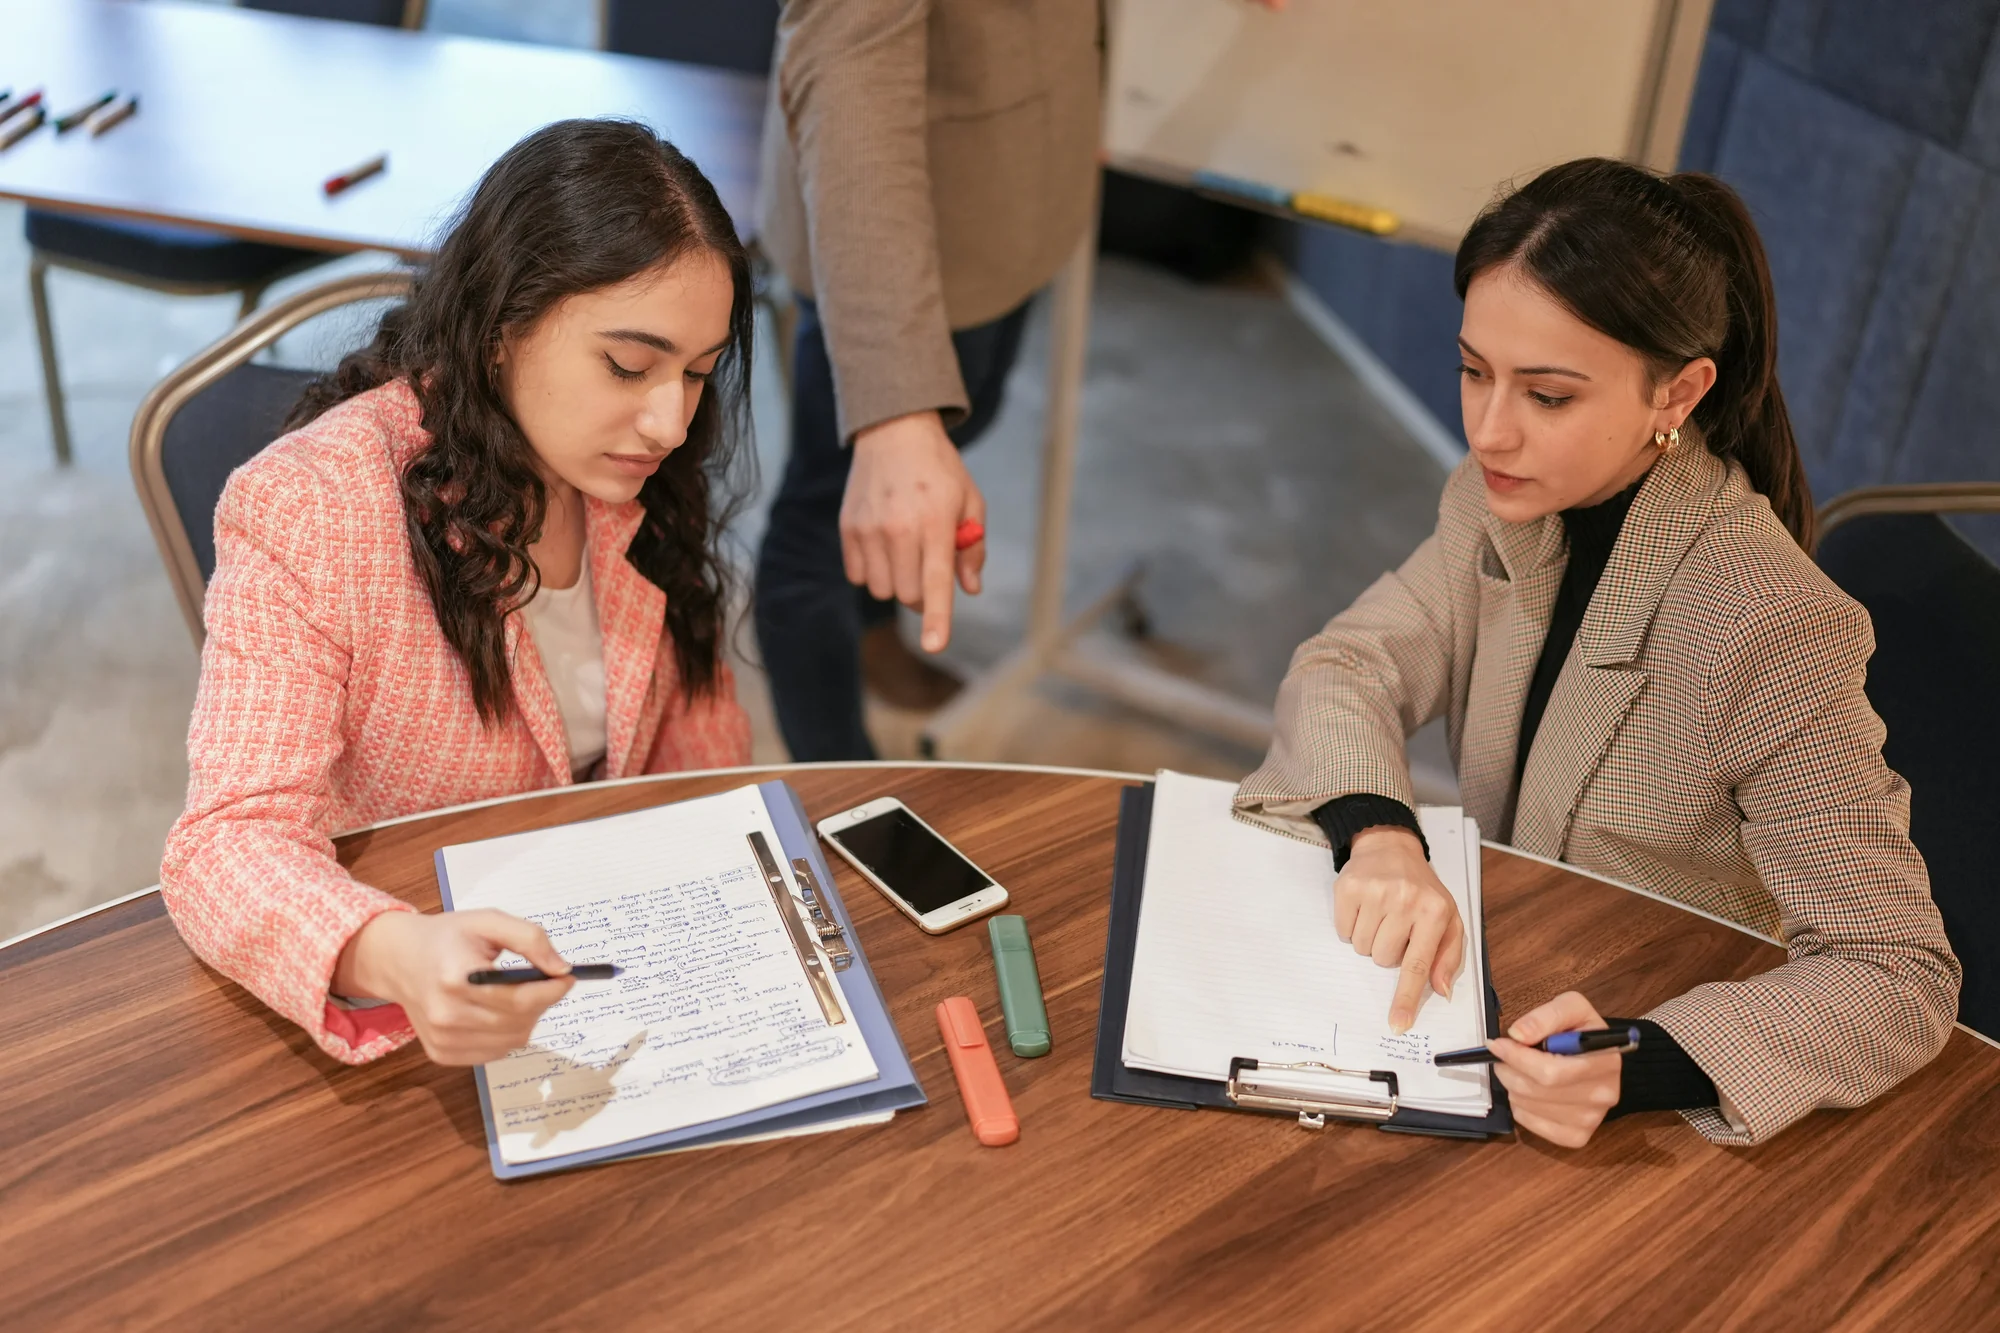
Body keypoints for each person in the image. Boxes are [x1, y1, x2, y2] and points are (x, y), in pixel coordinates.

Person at [1234, 158, 1960, 1149]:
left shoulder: (1766, 622)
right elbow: (1345, 668)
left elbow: (1894, 969)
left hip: (1638, 1070)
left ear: (1677, 392)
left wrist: (1646, 1060)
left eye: (1546, 395)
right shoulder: (1492, 502)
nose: (1488, 430)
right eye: (1471, 370)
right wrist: (1379, 833)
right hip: (1508, 982)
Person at [159, 120, 755, 1069]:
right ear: (501, 330)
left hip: (611, 964)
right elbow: (226, 844)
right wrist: (391, 951)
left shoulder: (631, 476)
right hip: (420, 993)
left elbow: (698, 744)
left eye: (698, 372)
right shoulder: (311, 508)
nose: (672, 422)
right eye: (630, 366)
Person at [751, 0, 1101, 758]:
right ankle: (835, 778)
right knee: (830, 512)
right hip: (889, 234)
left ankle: (873, 629)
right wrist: (895, 409)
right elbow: (849, 63)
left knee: (966, 425)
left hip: (1015, 182)